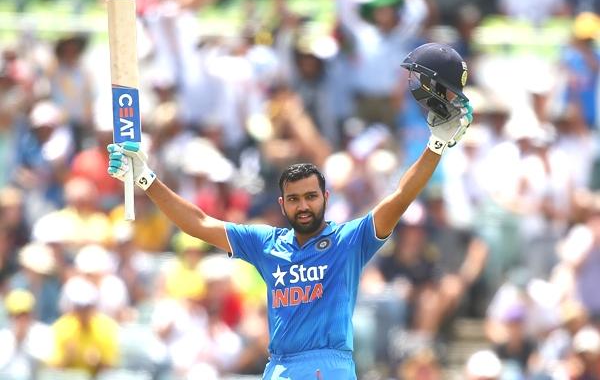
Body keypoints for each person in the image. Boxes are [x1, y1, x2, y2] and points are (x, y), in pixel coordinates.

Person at [106, 43, 473, 379]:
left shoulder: (349, 241)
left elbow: (400, 196)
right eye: (294, 199)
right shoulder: (266, 243)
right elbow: (199, 223)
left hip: (327, 364)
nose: (303, 206)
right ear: (282, 205)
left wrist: (436, 145)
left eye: (311, 197)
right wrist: (147, 180)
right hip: (278, 366)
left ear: (325, 198)